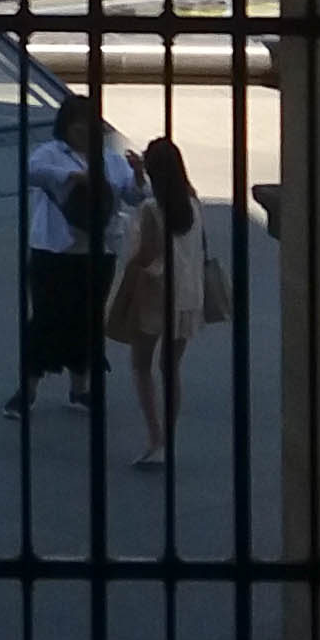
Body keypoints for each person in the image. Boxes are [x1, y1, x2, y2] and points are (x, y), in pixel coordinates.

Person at [2, 92, 143, 414]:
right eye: (75, 124)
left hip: (98, 250)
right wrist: (71, 175)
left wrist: (138, 176)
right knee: (46, 317)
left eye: (85, 124)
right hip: (54, 248)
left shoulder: (111, 159)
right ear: (65, 126)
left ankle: (79, 388)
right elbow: (33, 172)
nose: (80, 130)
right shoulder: (51, 153)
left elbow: (134, 198)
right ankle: (29, 388)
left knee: (88, 319)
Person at [102, 130, 210, 468]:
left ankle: (154, 436)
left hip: (154, 292)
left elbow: (147, 252)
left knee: (141, 365)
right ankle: (169, 434)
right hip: (188, 293)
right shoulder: (191, 202)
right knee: (171, 368)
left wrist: (129, 267)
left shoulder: (152, 209)